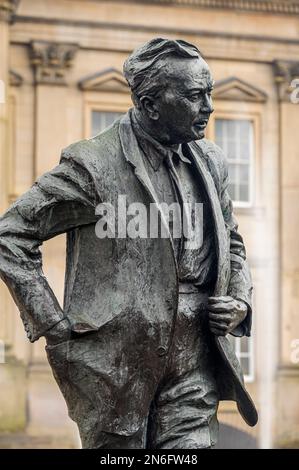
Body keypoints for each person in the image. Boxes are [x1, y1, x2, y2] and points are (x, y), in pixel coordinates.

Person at [0, 38, 257, 449]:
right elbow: (10, 236)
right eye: (194, 96)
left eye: (209, 93)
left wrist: (240, 302)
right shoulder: (92, 164)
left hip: (196, 363)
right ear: (150, 103)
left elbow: (232, 241)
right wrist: (55, 326)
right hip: (115, 368)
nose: (208, 106)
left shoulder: (210, 160)